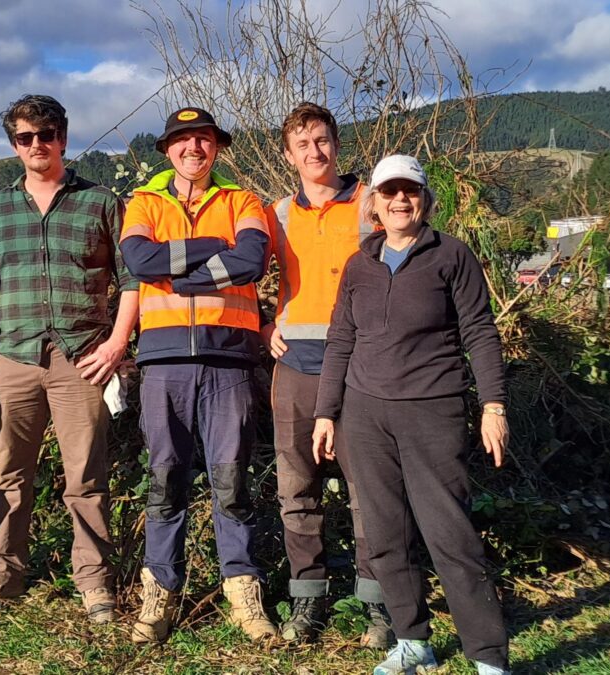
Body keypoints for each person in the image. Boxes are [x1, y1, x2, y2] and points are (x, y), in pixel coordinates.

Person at [312, 154, 511, 675]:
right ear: (374, 202)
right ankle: (412, 640)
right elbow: (341, 339)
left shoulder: (451, 256)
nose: (401, 200)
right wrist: (326, 412)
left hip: (432, 409)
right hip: (364, 414)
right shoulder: (360, 263)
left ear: (425, 199)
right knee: (383, 534)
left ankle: (487, 657)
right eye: (390, 192)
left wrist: (493, 403)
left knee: (450, 535)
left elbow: (480, 333)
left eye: (411, 191)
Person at [0, 95, 138, 624]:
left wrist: (115, 345)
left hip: (82, 359)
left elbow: (132, 278)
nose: (36, 145)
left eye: (46, 134)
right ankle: (3, 576)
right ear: (14, 144)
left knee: (84, 475)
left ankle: (94, 581)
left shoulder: (101, 201)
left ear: (62, 136)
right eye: (24, 137)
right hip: (13, 358)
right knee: (9, 473)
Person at [120, 107, 276, 643]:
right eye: (183, 140)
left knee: (231, 482)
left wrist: (178, 273)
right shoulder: (142, 203)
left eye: (204, 139)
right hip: (163, 362)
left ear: (217, 148)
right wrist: (214, 251)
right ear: (168, 149)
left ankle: (244, 597)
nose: (194, 148)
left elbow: (252, 258)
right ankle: (159, 599)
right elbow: (140, 261)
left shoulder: (243, 201)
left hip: (229, 358)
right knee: (166, 481)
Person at [261, 103, 391, 645]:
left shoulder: (370, 202)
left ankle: (381, 603)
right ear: (288, 156)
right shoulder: (276, 214)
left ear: (337, 144)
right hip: (295, 364)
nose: (315, 152)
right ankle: (307, 598)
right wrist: (267, 318)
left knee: (371, 488)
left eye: (322, 140)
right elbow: (248, 272)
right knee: (297, 486)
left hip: (362, 362)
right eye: (302, 145)